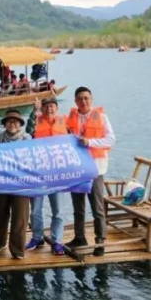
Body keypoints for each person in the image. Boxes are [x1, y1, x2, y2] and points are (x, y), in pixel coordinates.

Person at [66, 87, 115, 257]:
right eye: (80, 98)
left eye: (86, 98)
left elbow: (111, 139)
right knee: (78, 207)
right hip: (76, 169)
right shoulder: (70, 118)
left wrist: (90, 142)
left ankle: (100, 241)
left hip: (95, 168)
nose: (83, 101)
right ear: (75, 101)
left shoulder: (101, 117)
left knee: (97, 207)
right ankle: (79, 237)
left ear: (91, 99)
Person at [26, 96, 68, 255]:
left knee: (58, 210)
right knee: (35, 210)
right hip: (38, 173)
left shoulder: (64, 123)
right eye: (46, 106)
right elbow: (27, 131)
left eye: (52, 106)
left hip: (58, 174)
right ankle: (37, 237)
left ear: (56, 108)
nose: (49, 109)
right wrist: (34, 110)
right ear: (42, 108)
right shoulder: (35, 121)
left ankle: (57, 240)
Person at [0, 109, 31, 259]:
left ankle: (17, 249)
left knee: (20, 216)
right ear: (5, 124)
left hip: (21, 184)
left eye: (15, 121)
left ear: (20, 124)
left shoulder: (27, 139)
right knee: (1, 212)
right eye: (9, 121)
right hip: (2, 182)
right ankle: (1, 241)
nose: (12, 123)